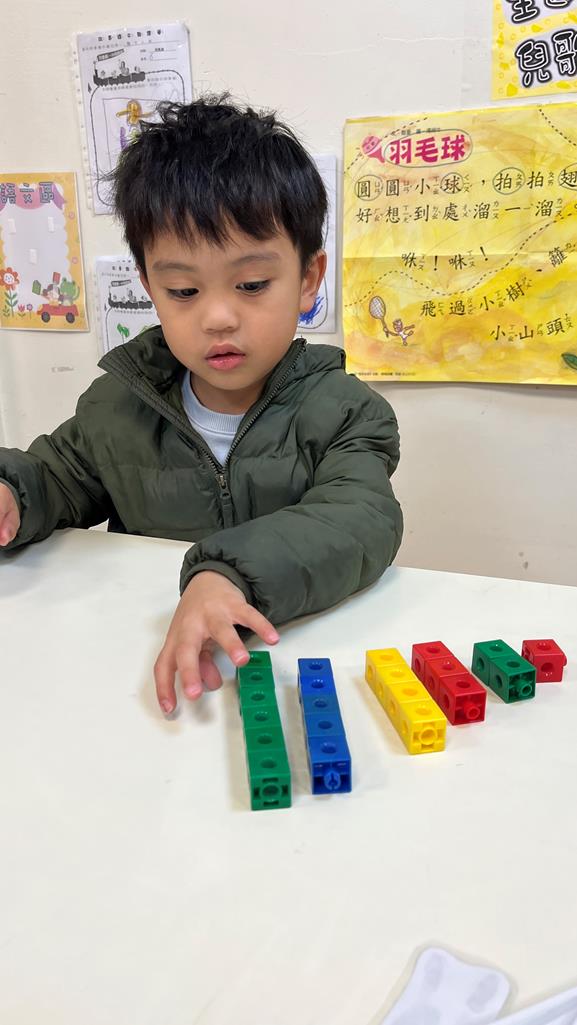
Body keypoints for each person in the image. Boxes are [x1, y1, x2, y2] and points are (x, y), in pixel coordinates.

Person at [0, 94, 403, 714]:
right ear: (149, 287)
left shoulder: (346, 411)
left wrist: (228, 575)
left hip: (290, 668)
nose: (217, 317)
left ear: (308, 279)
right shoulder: (119, 405)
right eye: (183, 290)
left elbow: (360, 517)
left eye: (251, 284)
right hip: (143, 677)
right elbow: (56, 477)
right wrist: (12, 491)